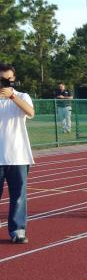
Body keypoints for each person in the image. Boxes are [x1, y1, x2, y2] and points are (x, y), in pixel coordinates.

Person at [0, 62, 35, 244]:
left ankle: (18, 230)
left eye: (9, 80)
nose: (6, 83)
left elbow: (30, 112)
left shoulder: (22, 96)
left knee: (19, 195)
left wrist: (13, 96)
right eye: (2, 80)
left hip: (18, 155)